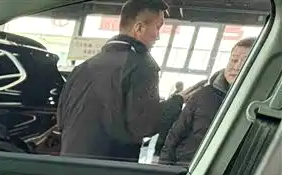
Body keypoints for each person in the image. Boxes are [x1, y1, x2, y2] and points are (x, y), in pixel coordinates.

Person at [58, 0, 167, 161]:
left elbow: (61, 120)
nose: (158, 36)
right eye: (158, 27)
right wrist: (176, 103)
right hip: (110, 168)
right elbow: (143, 126)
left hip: (68, 161)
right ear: (139, 28)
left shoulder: (82, 67)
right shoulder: (142, 66)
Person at [160, 38, 256, 165]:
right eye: (234, 60)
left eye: (245, 61)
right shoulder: (203, 94)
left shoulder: (256, 104)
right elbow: (175, 134)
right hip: (185, 165)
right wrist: (164, 165)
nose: (236, 67)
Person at [155, 81, 186, 154]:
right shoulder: (178, 97)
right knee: (165, 136)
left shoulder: (172, 95)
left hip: (165, 119)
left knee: (162, 135)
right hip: (170, 120)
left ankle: (157, 150)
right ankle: (159, 151)